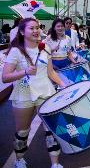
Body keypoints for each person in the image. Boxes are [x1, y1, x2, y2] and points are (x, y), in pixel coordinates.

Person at [2, 18, 66, 168]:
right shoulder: (16, 51)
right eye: (32, 28)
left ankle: (55, 164)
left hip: (46, 93)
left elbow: (50, 72)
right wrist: (24, 72)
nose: (36, 30)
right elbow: (5, 77)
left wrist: (64, 85)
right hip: (23, 95)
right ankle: (19, 159)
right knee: (23, 132)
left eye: (37, 27)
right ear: (23, 32)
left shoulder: (45, 48)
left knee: (51, 130)